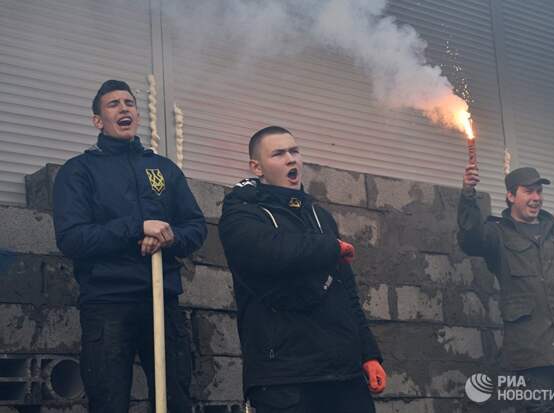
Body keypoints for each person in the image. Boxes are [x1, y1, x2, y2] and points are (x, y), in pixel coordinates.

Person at [53, 80, 207, 413]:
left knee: (175, 401)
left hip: (162, 301)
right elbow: (72, 238)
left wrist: (170, 236)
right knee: (109, 401)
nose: (124, 108)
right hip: (108, 304)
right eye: (113, 104)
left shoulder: (164, 169)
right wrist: (136, 227)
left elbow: (195, 227)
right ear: (98, 121)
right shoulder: (78, 172)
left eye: (129, 103)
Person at [218, 126, 386, 413]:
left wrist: (369, 354)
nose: (291, 159)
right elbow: (270, 251)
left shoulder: (321, 217)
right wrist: (330, 248)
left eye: (295, 151)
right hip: (284, 378)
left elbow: (347, 292)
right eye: (279, 153)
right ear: (256, 167)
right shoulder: (242, 215)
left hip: (344, 375)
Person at [458, 164, 554, 412]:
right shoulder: (497, 234)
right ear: (511, 196)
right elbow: (470, 239)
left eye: (539, 191)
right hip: (530, 355)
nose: (536, 198)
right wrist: (468, 193)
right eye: (529, 191)